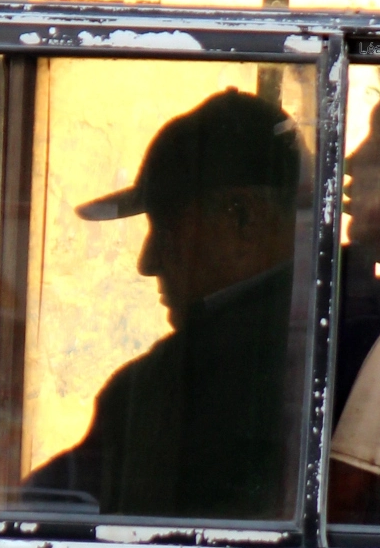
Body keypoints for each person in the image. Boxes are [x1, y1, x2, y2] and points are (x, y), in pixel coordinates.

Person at [23, 88, 302, 518]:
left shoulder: (192, 379)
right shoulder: (346, 323)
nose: (147, 262)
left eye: (165, 230)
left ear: (242, 217)